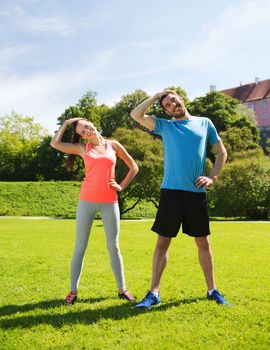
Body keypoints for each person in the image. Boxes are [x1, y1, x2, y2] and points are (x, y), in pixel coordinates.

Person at [130, 90, 230, 308]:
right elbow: (136, 115)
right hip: (171, 193)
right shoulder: (166, 126)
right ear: (165, 110)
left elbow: (221, 153)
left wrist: (212, 177)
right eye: (167, 105)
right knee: (162, 243)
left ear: (182, 99)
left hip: (196, 194)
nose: (172, 105)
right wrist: (156, 96)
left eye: (174, 100)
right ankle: (154, 293)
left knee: (203, 242)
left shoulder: (205, 123)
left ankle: (212, 290)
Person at [50, 118, 138, 304]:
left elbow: (133, 167)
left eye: (86, 126)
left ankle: (122, 289)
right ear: (81, 136)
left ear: (92, 123)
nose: (87, 131)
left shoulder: (113, 145)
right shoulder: (83, 148)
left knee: (113, 246)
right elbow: (55, 143)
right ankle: (73, 291)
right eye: (82, 131)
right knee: (80, 247)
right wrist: (66, 124)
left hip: (110, 202)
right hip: (86, 202)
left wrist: (121, 186)